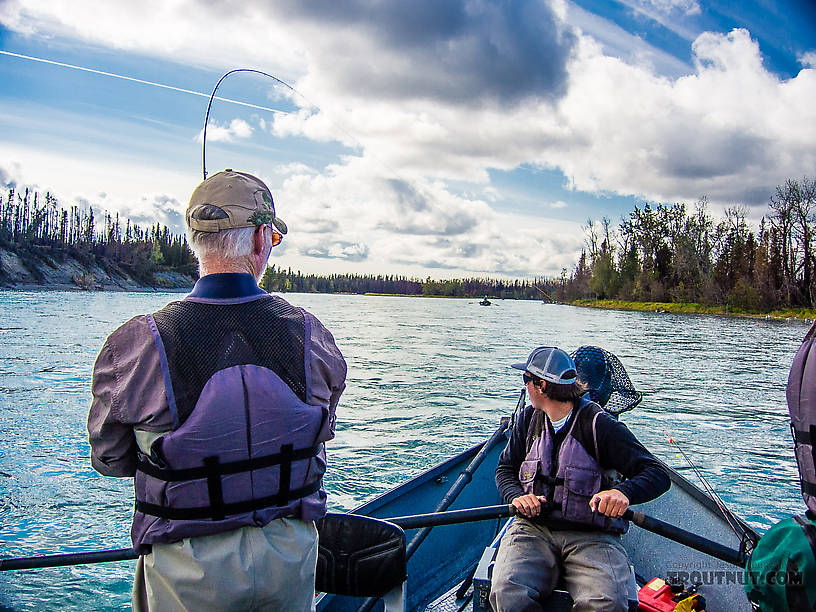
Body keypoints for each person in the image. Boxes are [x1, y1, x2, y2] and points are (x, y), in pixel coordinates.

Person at [87, 169, 347, 612]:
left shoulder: (137, 343)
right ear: (263, 239)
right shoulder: (311, 335)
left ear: (194, 242)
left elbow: (110, 459)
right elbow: (323, 426)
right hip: (288, 557)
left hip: (187, 569)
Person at [490, 346, 670, 612]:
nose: (525, 387)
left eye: (526, 380)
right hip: (533, 530)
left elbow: (657, 474)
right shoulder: (528, 420)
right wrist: (518, 496)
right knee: (507, 592)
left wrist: (624, 493)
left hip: (592, 536)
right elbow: (505, 469)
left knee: (606, 603)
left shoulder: (602, 426)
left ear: (541, 386)